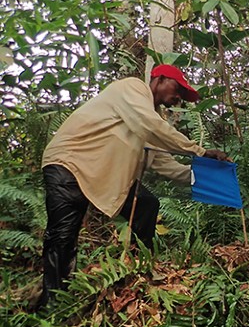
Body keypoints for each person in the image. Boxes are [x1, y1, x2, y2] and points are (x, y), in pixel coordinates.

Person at [38, 64, 228, 309]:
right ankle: (51, 305)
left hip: (100, 173)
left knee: (146, 205)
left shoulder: (148, 118)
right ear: (159, 80)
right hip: (69, 163)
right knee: (63, 236)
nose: (179, 96)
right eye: (178, 88)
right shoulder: (133, 89)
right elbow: (149, 126)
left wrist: (207, 178)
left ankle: (139, 269)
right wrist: (199, 151)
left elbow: (161, 162)